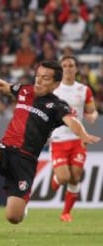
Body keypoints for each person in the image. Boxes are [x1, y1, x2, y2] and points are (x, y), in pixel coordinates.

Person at [0, 60, 101, 224]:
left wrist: (83, 135)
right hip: (6, 149)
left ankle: (23, 204)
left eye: (45, 78)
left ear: (55, 84)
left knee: (13, 217)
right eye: (38, 76)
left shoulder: (57, 106)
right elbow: (1, 85)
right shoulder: (24, 90)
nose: (38, 80)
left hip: (26, 161)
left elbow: (71, 121)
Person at [49, 56, 98, 222]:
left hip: (78, 139)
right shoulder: (54, 90)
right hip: (58, 138)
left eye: (71, 65)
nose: (68, 68)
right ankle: (55, 180)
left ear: (76, 69)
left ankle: (66, 213)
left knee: (75, 176)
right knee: (64, 177)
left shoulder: (84, 90)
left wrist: (92, 115)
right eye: (65, 66)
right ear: (61, 69)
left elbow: (92, 110)